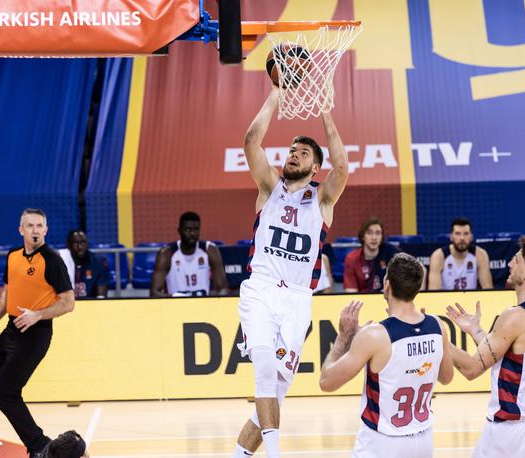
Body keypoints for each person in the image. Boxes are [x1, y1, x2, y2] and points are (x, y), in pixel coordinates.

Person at [231, 86, 349, 458]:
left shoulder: (323, 199)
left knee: (273, 395)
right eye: (292, 151)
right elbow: (251, 141)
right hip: (261, 289)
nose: (294, 155)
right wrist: (277, 92)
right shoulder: (269, 188)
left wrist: (326, 112)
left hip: (298, 299)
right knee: (264, 366)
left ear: (316, 167)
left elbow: (342, 166)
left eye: (303, 153)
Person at [0, 209, 74, 458]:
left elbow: (68, 302)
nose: (35, 230)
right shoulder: (13, 256)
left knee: (4, 391)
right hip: (12, 328)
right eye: (30, 225)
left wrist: (37, 315)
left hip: (36, 333)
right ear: (20, 229)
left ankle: (41, 447)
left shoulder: (52, 260)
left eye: (39, 226)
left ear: (46, 230)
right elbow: (7, 292)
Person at [319, 253, 453, 457]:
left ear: (386, 284)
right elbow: (447, 377)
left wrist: (344, 338)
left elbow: (327, 382)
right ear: (418, 287)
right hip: (424, 440)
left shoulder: (375, 335)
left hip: (383, 442)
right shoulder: (438, 326)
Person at [445, 238, 525, 458]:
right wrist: (475, 330)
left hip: (508, 430)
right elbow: (507, 354)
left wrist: (440, 339)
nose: (510, 264)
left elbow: (472, 369)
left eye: (515, 260)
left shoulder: (515, 316)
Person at [150, 211, 227, 297]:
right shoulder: (166, 253)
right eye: (188, 229)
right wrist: (174, 297)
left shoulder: (210, 250)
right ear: (179, 231)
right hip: (175, 307)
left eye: (196, 229)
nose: (192, 233)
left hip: (203, 307)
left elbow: (222, 289)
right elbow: (154, 293)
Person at [428, 218, 493, 290]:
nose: (462, 238)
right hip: (446, 300)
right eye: (457, 234)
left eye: (466, 234)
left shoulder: (480, 254)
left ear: (471, 237)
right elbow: (433, 290)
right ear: (451, 237)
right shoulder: (438, 256)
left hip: (471, 300)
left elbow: (487, 288)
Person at [343, 217, 400, 293]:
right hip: (361, 302)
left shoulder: (391, 254)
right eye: (369, 233)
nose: (374, 237)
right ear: (363, 236)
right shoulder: (352, 259)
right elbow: (351, 293)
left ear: (382, 236)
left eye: (378, 233)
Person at [58, 230, 110, 299]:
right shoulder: (60, 261)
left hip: (91, 305)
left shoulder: (99, 262)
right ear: (69, 246)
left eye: (83, 242)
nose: (80, 247)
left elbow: (101, 296)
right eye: (76, 243)